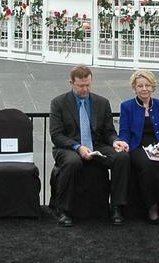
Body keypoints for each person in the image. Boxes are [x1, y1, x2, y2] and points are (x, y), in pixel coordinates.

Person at [48, 65, 129, 227]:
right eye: (81, 86)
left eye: (88, 85)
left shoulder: (102, 102)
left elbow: (108, 131)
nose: (85, 89)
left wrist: (115, 141)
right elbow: (57, 135)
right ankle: (63, 210)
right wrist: (78, 147)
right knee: (73, 162)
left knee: (122, 157)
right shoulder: (58, 103)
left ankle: (116, 207)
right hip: (68, 147)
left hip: (96, 144)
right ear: (71, 83)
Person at [117, 69, 159, 224]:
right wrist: (124, 144)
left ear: (153, 87)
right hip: (137, 146)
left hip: (157, 145)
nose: (144, 89)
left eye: (147, 85)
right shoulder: (127, 106)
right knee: (148, 165)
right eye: (140, 86)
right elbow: (124, 132)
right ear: (135, 88)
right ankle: (151, 207)